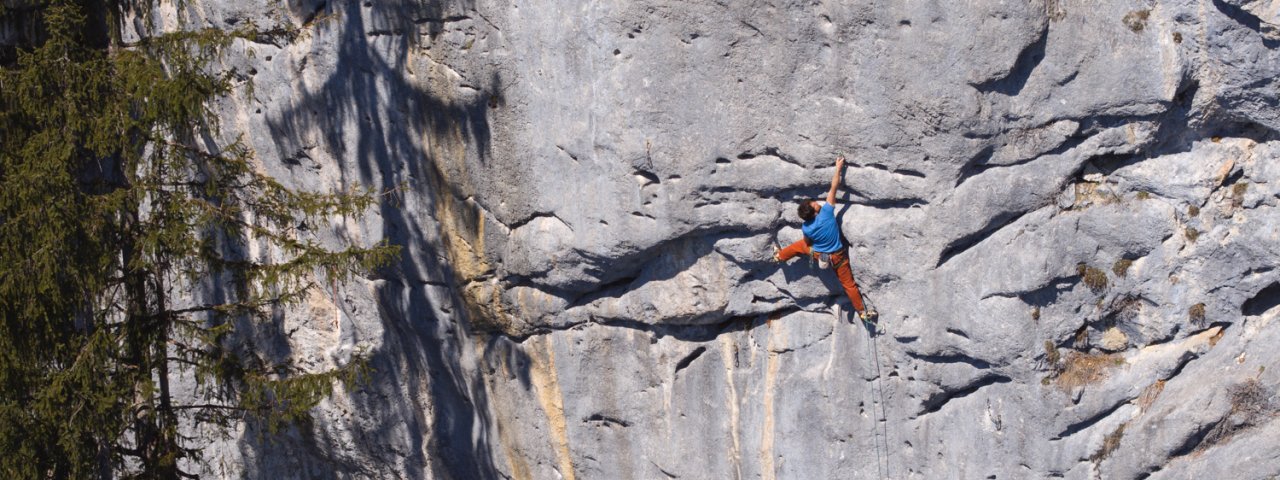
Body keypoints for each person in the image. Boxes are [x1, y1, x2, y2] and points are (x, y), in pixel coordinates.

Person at [773, 156, 876, 323]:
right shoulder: (827, 213)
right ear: (814, 212)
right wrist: (838, 168)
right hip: (839, 257)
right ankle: (862, 312)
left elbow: (806, 243)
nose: (816, 203)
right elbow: (833, 187)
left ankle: (779, 256)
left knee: (800, 246)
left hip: (819, 253)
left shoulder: (807, 227)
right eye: (814, 205)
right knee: (849, 285)